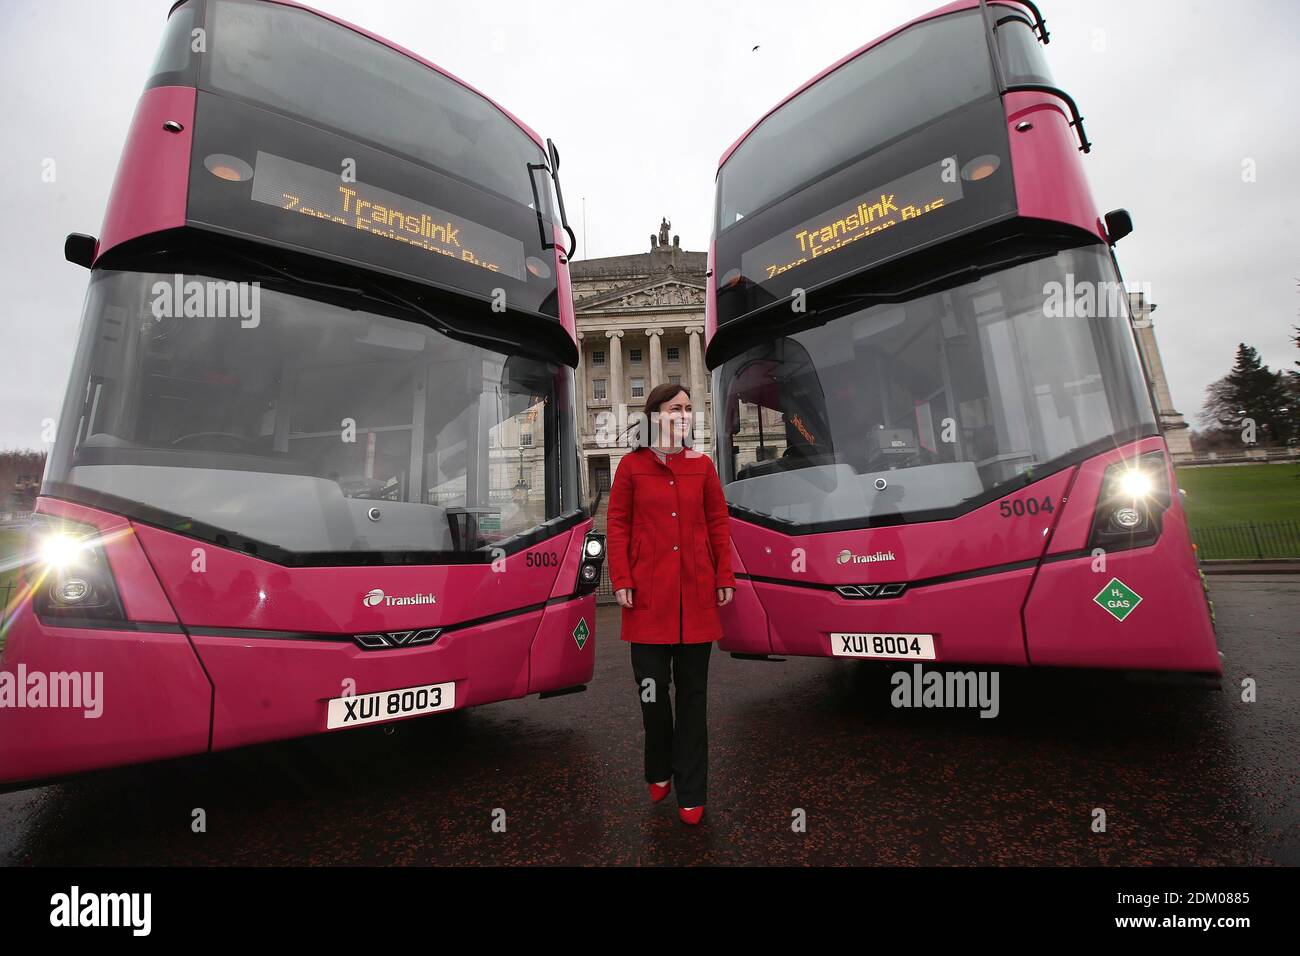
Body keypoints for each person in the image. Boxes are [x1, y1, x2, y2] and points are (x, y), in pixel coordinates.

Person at [605, 383, 735, 825]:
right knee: (654, 696)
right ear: (655, 415)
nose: (685, 413)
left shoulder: (703, 466)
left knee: (694, 700)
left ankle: (691, 790)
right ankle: (658, 766)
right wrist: (620, 577)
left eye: (688, 408)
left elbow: (719, 522)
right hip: (647, 599)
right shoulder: (630, 466)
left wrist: (725, 574)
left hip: (697, 596)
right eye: (676, 408)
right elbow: (617, 524)